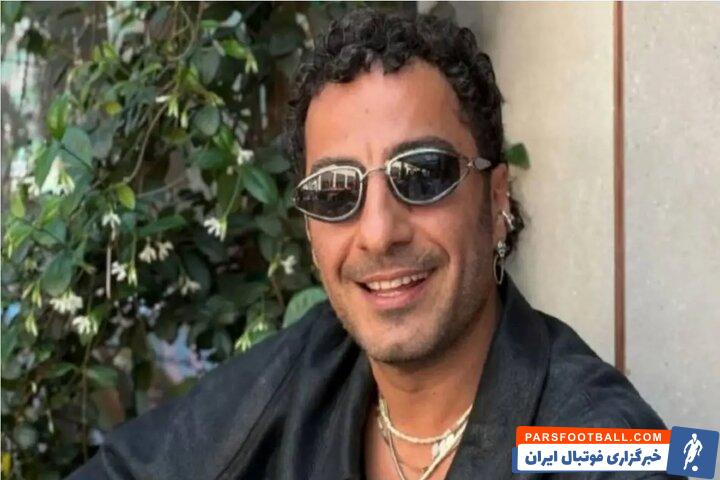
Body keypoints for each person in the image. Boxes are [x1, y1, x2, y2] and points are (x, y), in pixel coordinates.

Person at [68, 8, 678, 480]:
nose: (380, 233)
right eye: (336, 192)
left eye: (423, 175)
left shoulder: (601, 440)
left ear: (497, 203)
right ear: (310, 230)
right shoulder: (311, 366)